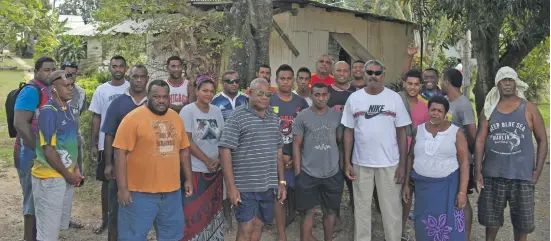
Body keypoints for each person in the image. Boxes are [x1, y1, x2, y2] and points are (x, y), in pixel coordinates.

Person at [112, 79, 194, 240]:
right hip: (139, 193)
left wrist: (188, 179)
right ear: (147, 96)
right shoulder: (132, 119)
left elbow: (184, 150)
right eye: (156, 96)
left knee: (172, 236)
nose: (161, 100)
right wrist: (122, 188)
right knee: (132, 237)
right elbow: (119, 153)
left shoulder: (175, 118)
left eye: (165, 97)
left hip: (172, 193)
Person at [475, 67, 548, 241]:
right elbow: (479, 141)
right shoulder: (488, 109)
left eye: (510, 79)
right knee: (491, 222)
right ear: (498, 84)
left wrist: (537, 170)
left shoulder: (529, 108)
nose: (507, 83)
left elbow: (542, 139)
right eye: (503, 80)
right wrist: (478, 171)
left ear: (516, 83)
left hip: (522, 176)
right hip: (493, 175)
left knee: (522, 225)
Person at [342, 60, 410, 241]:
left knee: (392, 209)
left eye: (377, 72)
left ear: (383, 75)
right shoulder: (354, 99)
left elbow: (402, 132)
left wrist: (402, 164)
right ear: (364, 74)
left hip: (390, 164)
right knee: (361, 208)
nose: (373, 76)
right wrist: (347, 161)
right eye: (369, 72)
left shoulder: (394, 98)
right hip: (360, 163)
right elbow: (348, 131)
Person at [219, 78, 287, 241]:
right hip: (244, 185)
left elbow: (278, 150)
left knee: (258, 225)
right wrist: (231, 186)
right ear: (249, 93)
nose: (264, 97)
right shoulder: (238, 116)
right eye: (260, 94)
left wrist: (282, 182)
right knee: (246, 227)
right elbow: (224, 149)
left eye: (267, 94)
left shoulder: (273, 117)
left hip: (267, 184)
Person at [402, 96, 469, 241]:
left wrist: (462, 191)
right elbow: (410, 157)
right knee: (424, 225)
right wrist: (407, 184)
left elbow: (464, 163)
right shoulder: (418, 130)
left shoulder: (455, 132)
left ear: (445, 113)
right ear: (428, 111)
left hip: (447, 189)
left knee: (449, 229)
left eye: (439, 111)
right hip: (423, 190)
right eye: (432, 109)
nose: (435, 113)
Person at [32, 70, 84, 241]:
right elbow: (48, 150)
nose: (71, 89)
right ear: (53, 88)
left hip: (63, 176)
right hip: (50, 179)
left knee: (56, 227)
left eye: (72, 85)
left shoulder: (67, 108)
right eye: (66, 86)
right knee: (47, 232)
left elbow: (69, 143)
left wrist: (75, 169)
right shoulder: (49, 112)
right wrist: (68, 175)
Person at [101, 64, 149, 241]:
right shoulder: (118, 103)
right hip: (121, 166)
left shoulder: (153, 104)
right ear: (129, 78)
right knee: (116, 211)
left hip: (146, 169)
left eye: (142, 77)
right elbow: (108, 135)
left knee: (142, 212)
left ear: (147, 79)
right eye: (135, 76)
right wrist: (108, 163)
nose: (138, 80)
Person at [293, 82, 344, 241]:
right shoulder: (303, 116)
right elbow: (296, 144)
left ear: (328, 96)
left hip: (332, 172)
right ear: (310, 95)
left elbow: (341, 143)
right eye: (317, 95)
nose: (321, 98)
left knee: (330, 211)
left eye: (324, 95)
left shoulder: (337, 116)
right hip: (308, 173)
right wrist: (298, 171)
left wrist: (341, 167)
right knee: (307, 212)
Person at [13, 56, 56, 241]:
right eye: (46, 69)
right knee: (31, 203)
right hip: (29, 156)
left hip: (42, 156)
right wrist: (39, 151)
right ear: (36, 71)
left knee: (41, 202)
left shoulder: (48, 89)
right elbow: (20, 124)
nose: (50, 73)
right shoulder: (31, 91)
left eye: (53, 69)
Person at [89, 55, 130, 234]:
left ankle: (126, 220)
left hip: (129, 143)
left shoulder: (132, 88)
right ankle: (106, 219)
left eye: (121, 66)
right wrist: (93, 143)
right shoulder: (101, 90)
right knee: (107, 183)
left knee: (130, 180)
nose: (118, 69)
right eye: (114, 66)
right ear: (110, 68)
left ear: (126, 68)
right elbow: (97, 116)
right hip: (106, 142)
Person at [180, 78, 225, 240]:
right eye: (205, 90)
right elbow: (187, 141)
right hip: (196, 170)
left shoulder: (216, 111)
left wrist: (219, 159)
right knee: (194, 212)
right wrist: (206, 160)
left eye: (211, 91)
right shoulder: (188, 111)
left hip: (215, 171)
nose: (208, 94)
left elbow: (222, 138)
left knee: (213, 210)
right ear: (197, 91)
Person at [270, 64, 309, 241]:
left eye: (288, 78)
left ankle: (304, 229)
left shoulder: (300, 102)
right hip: (275, 156)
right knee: (280, 191)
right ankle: (282, 233)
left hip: (297, 156)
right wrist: (281, 155)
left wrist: (295, 155)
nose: (285, 82)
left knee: (299, 191)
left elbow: (305, 131)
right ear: (276, 80)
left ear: (293, 80)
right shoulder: (270, 101)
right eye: (282, 78)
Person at [440, 68, 477, 239]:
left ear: (447, 81)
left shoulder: (463, 104)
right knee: (448, 197)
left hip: (461, 161)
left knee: (463, 198)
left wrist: (470, 156)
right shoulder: (445, 101)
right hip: (445, 161)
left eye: (442, 79)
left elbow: (472, 133)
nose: (440, 82)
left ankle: (466, 235)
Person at [397, 68, 429, 237]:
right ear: (404, 84)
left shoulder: (425, 108)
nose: (412, 87)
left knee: (407, 189)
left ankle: (401, 228)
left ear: (421, 86)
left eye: (416, 84)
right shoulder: (396, 102)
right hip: (394, 152)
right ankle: (393, 225)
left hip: (414, 154)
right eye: (409, 83)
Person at [326, 61, 355, 230]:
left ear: (350, 72)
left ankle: (355, 213)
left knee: (353, 183)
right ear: (333, 72)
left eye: (345, 70)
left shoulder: (357, 93)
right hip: (331, 146)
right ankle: (335, 217)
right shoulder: (326, 92)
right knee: (335, 183)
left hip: (353, 146)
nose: (342, 73)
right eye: (338, 70)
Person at [60, 61, 87, 230]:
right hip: (58, 144)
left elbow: (79, 115)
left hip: (75, 142)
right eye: (66, 73)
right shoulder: (53, 91)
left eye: (73, 74)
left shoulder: (81, 93)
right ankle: (55, 219)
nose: (70, 76)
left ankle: (66, 219)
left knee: (73, 181)